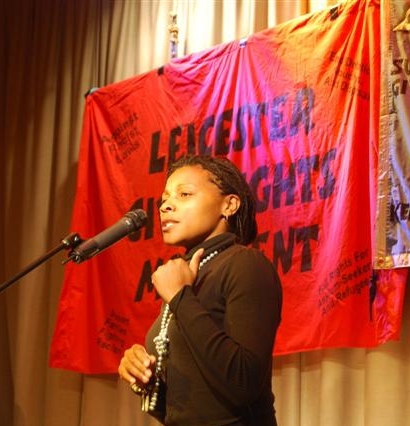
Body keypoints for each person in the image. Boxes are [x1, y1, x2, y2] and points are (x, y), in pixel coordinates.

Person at [118, 155, 282, 425]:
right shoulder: (187, 276)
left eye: (184, 194)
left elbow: (244, 383)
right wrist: (144, 380)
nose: (166, 206)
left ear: (229, 204)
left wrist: (181, 298)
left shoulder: (245, 264)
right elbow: (185, 410)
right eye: (165, 199)